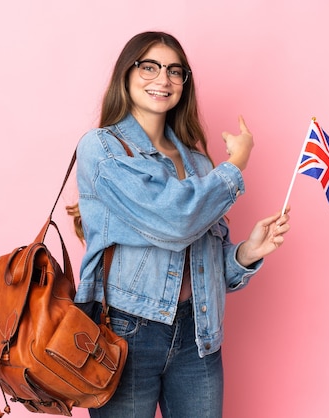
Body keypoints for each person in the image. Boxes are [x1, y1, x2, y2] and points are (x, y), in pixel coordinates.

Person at [67, 31, 291, 418]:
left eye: (174, 71)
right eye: (149, 66)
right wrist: (235, 167)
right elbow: (174, 222)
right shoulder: (101, 148)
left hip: (198, 334)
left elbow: (207, 264)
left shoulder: (200, 164)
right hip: (124, 330)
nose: (163, 79)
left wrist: (248, 252)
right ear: (127, 73)